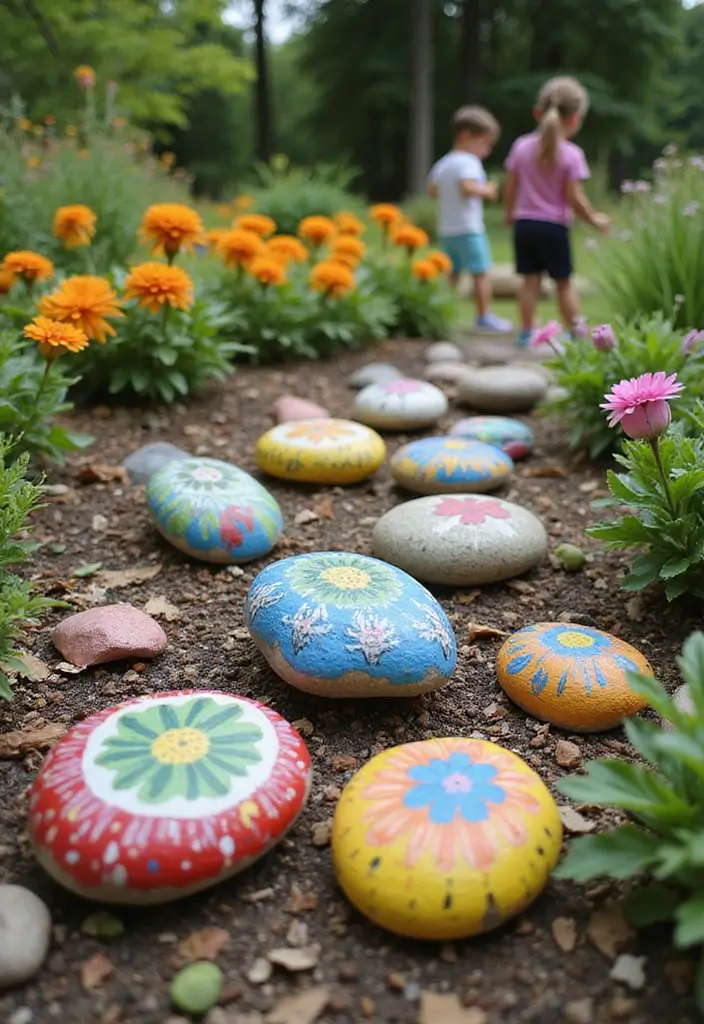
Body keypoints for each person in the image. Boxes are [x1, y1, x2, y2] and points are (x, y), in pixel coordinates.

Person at [503, 76, 610, 347]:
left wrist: (508, 214)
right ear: (575, 119)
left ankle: (526, 333)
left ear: (537, 112)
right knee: (563, 283)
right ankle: (575, 332)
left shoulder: (520, 146)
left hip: (524, 224)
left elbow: (510, 188)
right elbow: (574, 198)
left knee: (530, 282)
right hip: (554, 227)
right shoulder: (572, 154)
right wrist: (594, 220)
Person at [427, 105, 512, 334]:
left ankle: (438, 311)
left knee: (452, 274)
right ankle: (484, 316)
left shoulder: (444, 163)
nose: (486, 151)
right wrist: (488, 190)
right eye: (485, 144)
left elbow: (432, 190)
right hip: (469, 228)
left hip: (447, 229)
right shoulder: (468, 162)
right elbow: (467, 187)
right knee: (481, 273)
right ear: (465, 135)